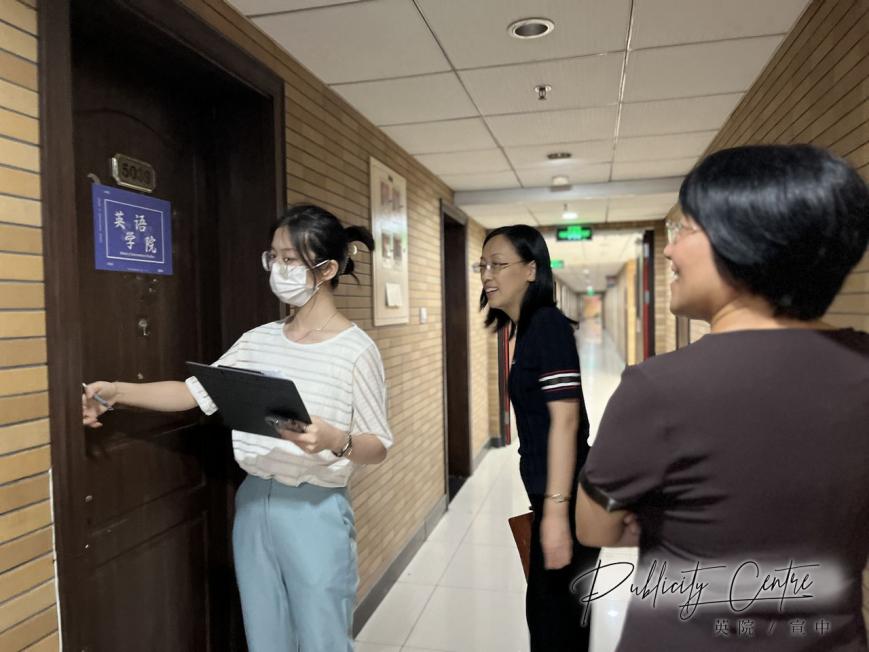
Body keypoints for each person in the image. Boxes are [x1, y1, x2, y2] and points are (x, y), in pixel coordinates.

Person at [576, 144, 869, 651]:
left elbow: (594, 526)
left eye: (686, 228)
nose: (670, 251)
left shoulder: (659, 387)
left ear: (745, 240)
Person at [83, 204, 393, 652]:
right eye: (274, 257)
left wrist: (335, 440)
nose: (279, 269)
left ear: (326, 269)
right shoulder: (258, 340)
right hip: (252, 503)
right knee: (265, 636)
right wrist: (115, 392)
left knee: (322, 638)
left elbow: (377, 445)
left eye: (291, 259)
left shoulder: (356, 351)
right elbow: (192, 393)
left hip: (315, 509)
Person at [476, 225, 602, 651]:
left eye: (498, 264)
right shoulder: (526, 329)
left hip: (569, 503)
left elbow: (566, 422)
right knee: (555, 622)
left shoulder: (547, 326)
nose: (487, 274)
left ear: (531, 270)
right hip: (557, 499)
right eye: (482, 265)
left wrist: (555, 513)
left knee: (554, 627)